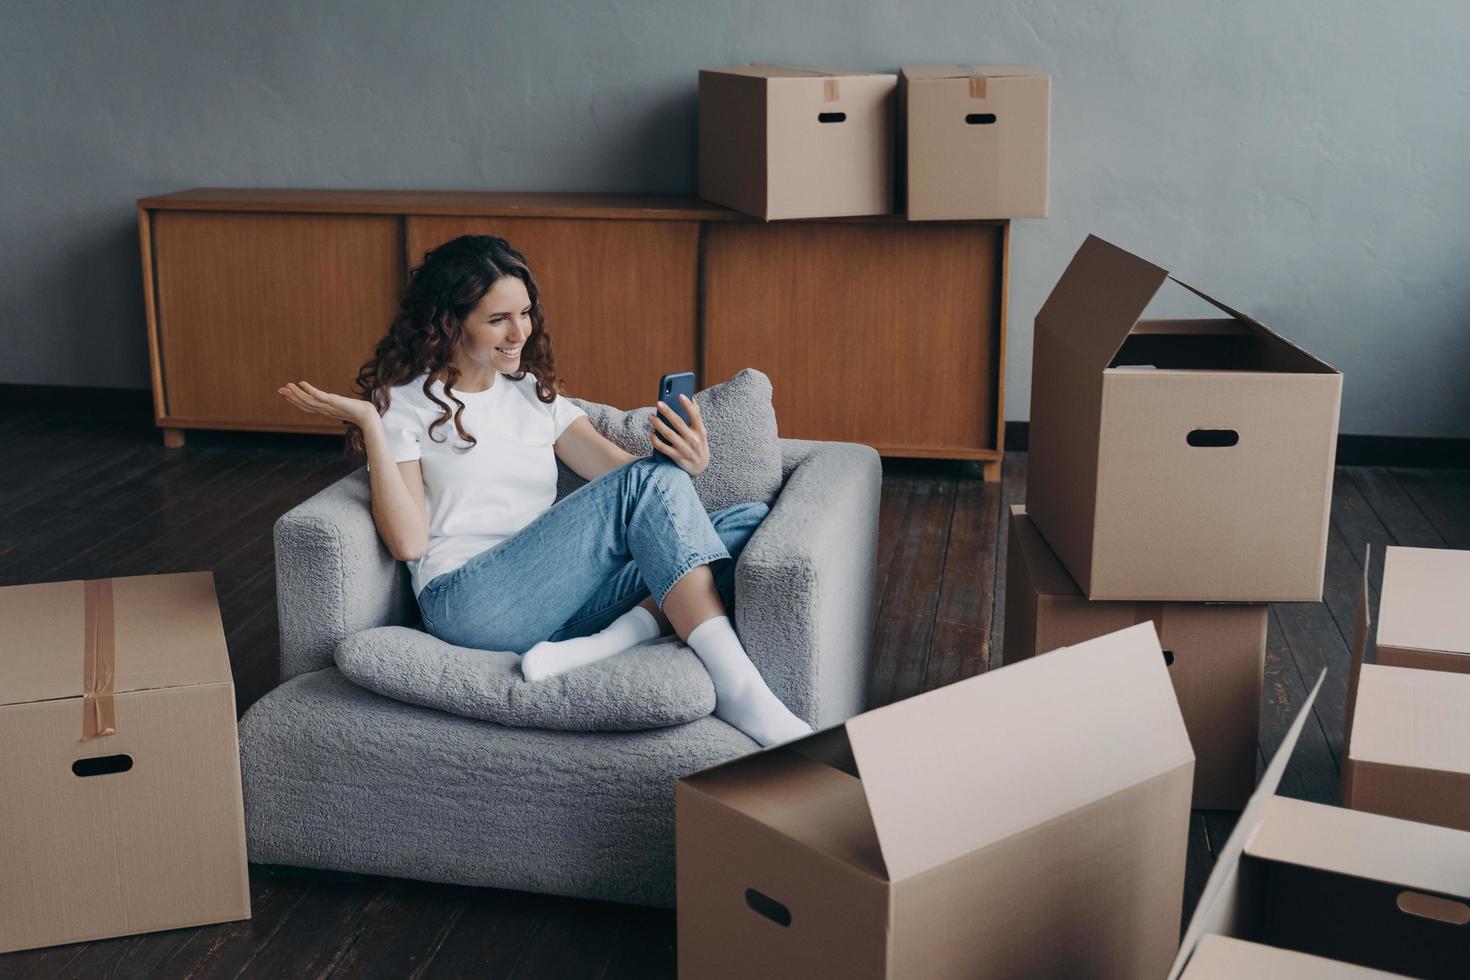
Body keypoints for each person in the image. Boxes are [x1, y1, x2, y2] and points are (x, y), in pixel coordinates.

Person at [278, 234, 811, 748]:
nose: (520, 333)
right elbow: (409, 544)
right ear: (449, 322)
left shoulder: (534, 394)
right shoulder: (406, 403)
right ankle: (740, 691)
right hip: (469, 601)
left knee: (743, 518)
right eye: (498, 319)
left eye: (526, 313)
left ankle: (607, 641)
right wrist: (372, 424)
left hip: (554, 605)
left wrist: (689, 463)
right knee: (656, 486)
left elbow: (630, 478)